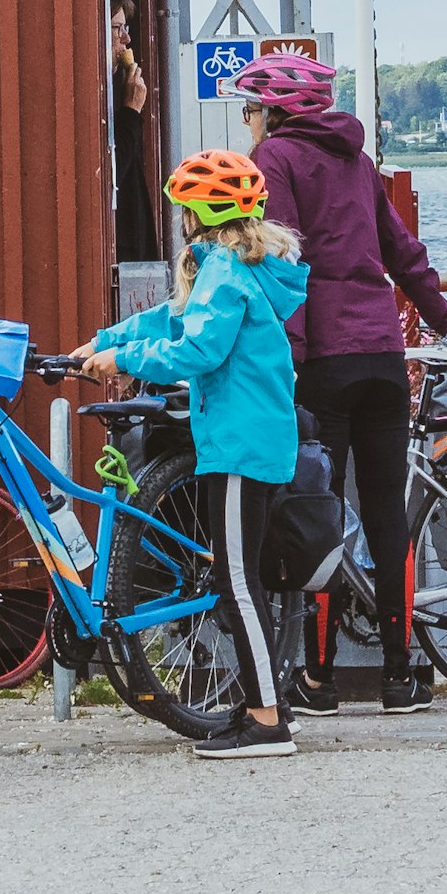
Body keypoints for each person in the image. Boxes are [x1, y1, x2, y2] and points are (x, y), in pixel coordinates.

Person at [61, 149, 309, 762]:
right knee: (238, 579)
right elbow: (172, 317)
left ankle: (268, 722)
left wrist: (124, 361)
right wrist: (107, 339)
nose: (180, 223)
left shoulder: (224, 273)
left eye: (183, 212)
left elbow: (197, 350)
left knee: (238, 584)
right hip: (246, 438)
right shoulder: (234, 268)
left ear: (199, 214)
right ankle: (262, 704)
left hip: (239, 444)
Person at [234, 51, 447, 714]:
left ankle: (319, 679)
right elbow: (400, 251)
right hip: (383, 355)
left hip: (324, 360)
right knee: (388, 515)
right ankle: (399, 674)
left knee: (319, 514)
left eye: (250, 109)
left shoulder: (275, 161)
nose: (247, 122)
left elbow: (284, 260)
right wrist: (444, 318)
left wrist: (290, 356)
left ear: (274, 110)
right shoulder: (358, 163)